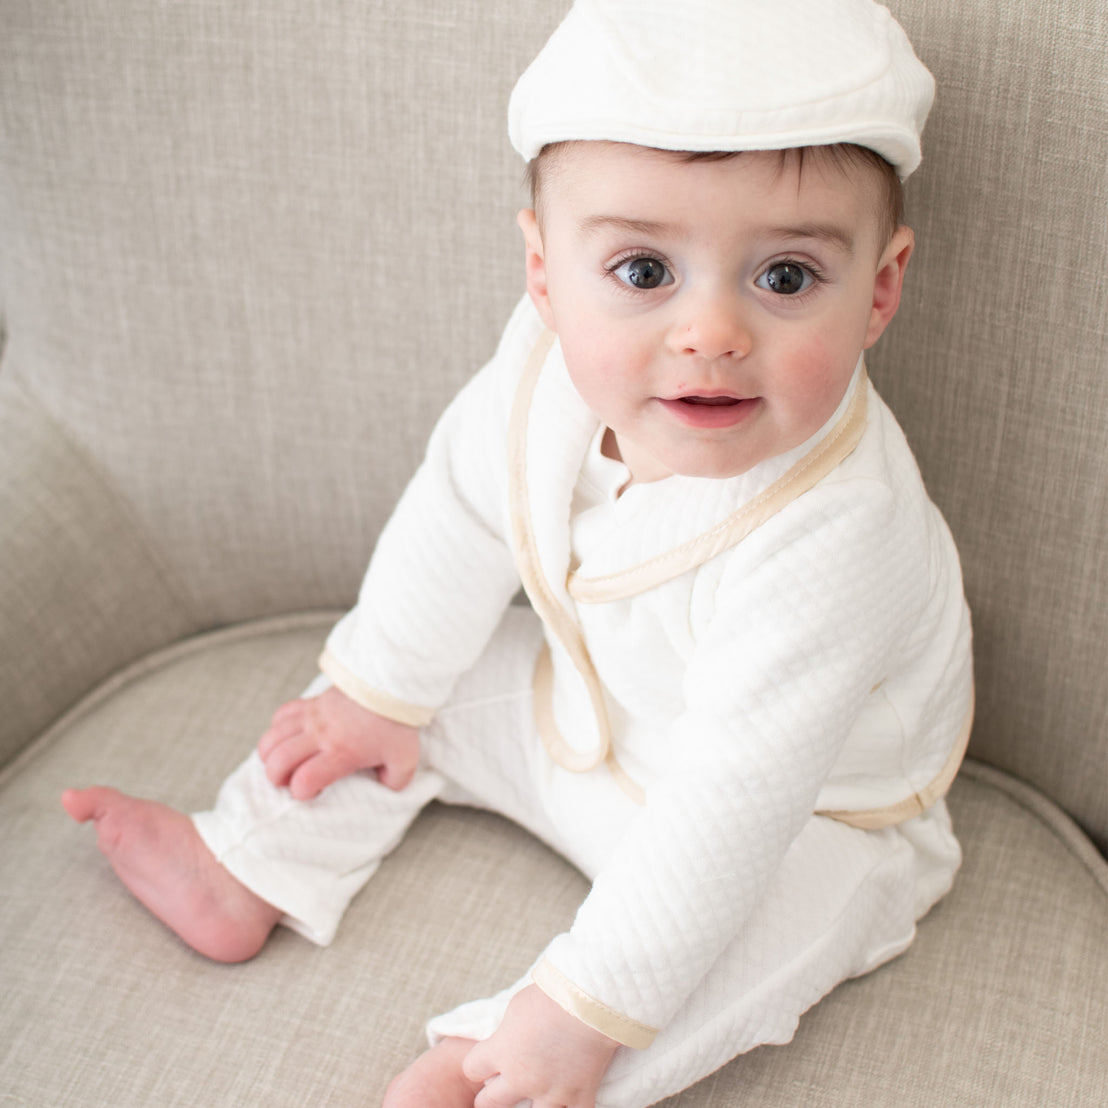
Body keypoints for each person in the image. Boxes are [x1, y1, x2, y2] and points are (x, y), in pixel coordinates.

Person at [62, 1, 974, 1105]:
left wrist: (583, 1005)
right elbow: (458, 510)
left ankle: (504, 1062)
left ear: (879, 287)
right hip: (595, 717)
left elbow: (730, 804)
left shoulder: (842, 528)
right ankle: (248, 857)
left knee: (765, 933)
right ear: (544, 273)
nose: (711, 334)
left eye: (784, 278)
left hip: (810, 816)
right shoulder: (538, 365)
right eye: (643, 272)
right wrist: (382, 692)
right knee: (406, 689)